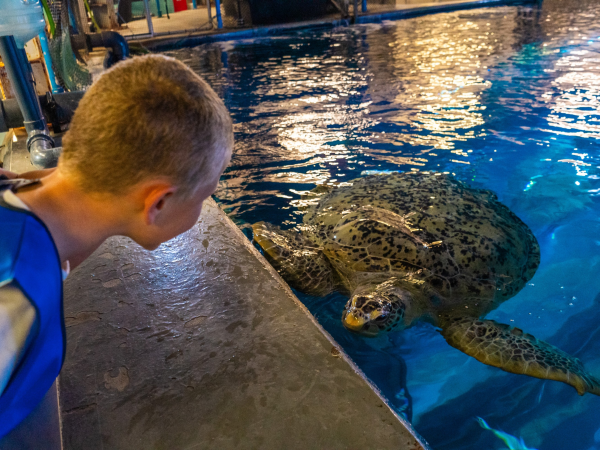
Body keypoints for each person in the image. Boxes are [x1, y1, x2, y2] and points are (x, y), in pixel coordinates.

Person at [0, 54, 233, 436]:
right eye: (203, 198)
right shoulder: (15, 298)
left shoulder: (16, 195)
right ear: (157, 203)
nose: (200, 210)